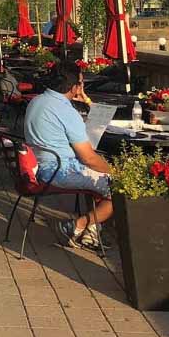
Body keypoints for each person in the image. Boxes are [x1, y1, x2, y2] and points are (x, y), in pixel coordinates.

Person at [24, 60, 112, 248]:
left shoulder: (36, 101)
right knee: (120, 188)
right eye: (81, 83)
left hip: (39, 167)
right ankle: (76, 226)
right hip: (60, 171)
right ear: (74, 87)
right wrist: (114, 171)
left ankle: (91, 233)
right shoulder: (65, 111)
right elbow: (88, 158)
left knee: (100, 179)